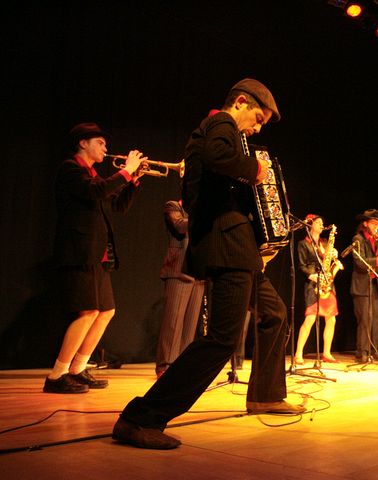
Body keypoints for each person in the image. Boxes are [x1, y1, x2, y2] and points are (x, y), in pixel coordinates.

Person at [113, 78, 304, 450]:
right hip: (227, 244)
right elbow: (219, 158)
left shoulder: (226, 130)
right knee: (221, 340)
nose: (258, 126)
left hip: (240, 246)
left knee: (275, 313)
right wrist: (255, 170)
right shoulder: (221, 123)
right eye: (259, 117)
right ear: (242, 103)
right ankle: (141, 417)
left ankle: (264, 394)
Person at [45, 123, 144, 394]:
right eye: (100, 142)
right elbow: (97, 192)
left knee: (106, 311)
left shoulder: (93, 176)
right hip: (78, 252)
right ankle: (56, 375)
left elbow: (118, 206)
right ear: (83, 144)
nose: (106, 148)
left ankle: (77, 368)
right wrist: (126, 171)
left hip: (96, 255)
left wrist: (132, 182)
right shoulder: (70, 170)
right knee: (87, 311)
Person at [154, 200, 205, 377]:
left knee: (190, 325)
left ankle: (182, 365)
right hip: (178, 270)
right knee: (173, 322)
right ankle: (165, 365)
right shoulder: (174, 206)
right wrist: (205, 214)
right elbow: (180, 226)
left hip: (198, 272)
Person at [294, 214, 342, 365]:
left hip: (327, 283)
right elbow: (301, 265)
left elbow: (328, 260)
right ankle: (298, 353)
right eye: (319, 222)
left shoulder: (325, 242)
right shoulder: (303, 243)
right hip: (313, 284)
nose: (322, 225)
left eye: (323, 222)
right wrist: (311, 275)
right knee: (310, 319)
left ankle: (326, 353)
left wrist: (334, 255)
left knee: (331, 319)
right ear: (311, 225)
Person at [350, 209, 378, 363]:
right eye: (374, 223)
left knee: (376, 318)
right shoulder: (358, 239)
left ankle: (373, 350)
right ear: (365, 223)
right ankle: (361, 353)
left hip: (375, 285)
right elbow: (360, 262)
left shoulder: (377, 240)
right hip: (362, 286)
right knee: (365, 320)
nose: (377, 226)